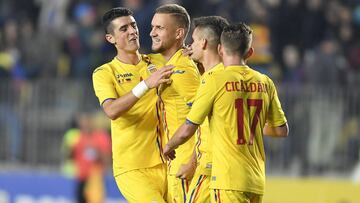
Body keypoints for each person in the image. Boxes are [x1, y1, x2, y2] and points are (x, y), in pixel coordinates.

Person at [163, 22, 289, 203]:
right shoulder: (265, 82)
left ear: (221, 49)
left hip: (228, 178)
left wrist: (169, 146)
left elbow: (188, 128)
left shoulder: (215, 80)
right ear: (250, 52)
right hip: (256, 180)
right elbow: (281, 130)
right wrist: (244, 124)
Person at [92, 7, 173, 202]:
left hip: (169, 162)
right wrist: (146, 84)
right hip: (133, 168)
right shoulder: (105, 73)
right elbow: (111, 110)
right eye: (123, 29)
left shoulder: (158, 61)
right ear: (110, 39)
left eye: (133, 25)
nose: (132, 31)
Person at [149, 4, 201, 202]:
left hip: (185, 166)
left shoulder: (182, 70)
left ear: (179, 33)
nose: (152, 32)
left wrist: (193, 163)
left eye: (159, 28)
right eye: (153, 27)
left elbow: (207, 118)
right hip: (176, 163)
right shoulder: (174, 65)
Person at [180, 16, 229, 203]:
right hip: (232, 170)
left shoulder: (211, 81)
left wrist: (170, 147)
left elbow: (191, 128)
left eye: (193, 40)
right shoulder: (229, 76)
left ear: (203, 42)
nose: (189, 45)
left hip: (209, 171)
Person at [72, 111, 111, 203]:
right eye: (82, 123)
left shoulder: (101, 136)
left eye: (87, 122)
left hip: (95, 178)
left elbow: (107, 158)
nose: (85, 125)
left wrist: (97, 153)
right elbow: (74, 156)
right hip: (81, 177)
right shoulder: (79, 137)